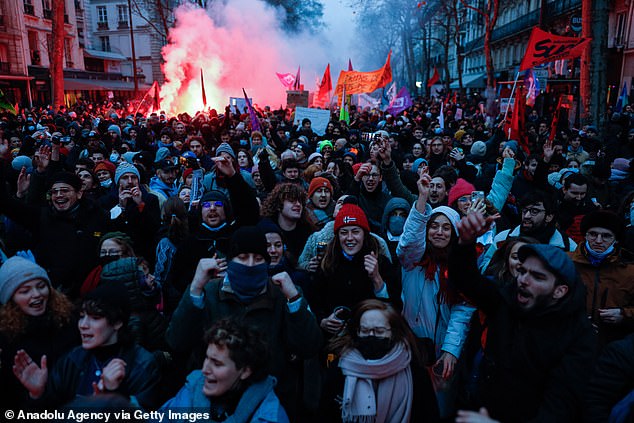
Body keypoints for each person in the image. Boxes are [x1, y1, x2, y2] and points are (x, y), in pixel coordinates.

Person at [450, 212, 597, 422]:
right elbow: (466, 281)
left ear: (560, 291)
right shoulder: (507, 300)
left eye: (537, 276)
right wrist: (465, 241)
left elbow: (559, 409)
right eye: (523, 270)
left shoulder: (578, 337)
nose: (523, 280)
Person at [165, 226, 321, 417]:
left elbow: (309, 346)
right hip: (210, 401)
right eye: (243, 257)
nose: (249, 265)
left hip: (270, 402)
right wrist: (195, 289)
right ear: (230, 261)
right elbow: (177, 342)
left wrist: (295, 300)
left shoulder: (282, 294)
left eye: (257, 259)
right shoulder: (211, 292)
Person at [397, 173, 475, 418]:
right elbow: (408, 242)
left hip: (443, 354)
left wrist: (451, 349)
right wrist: (421, 199)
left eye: (446, 228)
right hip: (410, 350)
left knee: (438, 411)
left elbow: (463, 310)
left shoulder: (462, 267)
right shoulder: (413, 261)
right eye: (434, 226)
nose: (439, 232)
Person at [12, 282, 162, 409]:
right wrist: (38, 395)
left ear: (117, 322)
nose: (83, 325)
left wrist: (114, 394)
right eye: (82, 317)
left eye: (95, 318)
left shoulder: (143, 366)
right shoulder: (72, 359)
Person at [321, 299, 439, 422]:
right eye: (365, 331)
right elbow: (325, 414)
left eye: (379, 331)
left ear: (393, 333)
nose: (371, 336)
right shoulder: (341, 368)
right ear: (357, 332)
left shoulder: (415, 372)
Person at [0, 166, 110, 297]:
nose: (58, 196)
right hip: (52, 293)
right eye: (54, 192)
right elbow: (5, 204)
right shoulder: (42, 217)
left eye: (64, 191)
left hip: (91, 293)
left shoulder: (98, 216)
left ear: (79, 193)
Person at [161, 318, 289, 423]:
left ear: (245, 371)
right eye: (207, 358)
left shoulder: (268, 416)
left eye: (217, 364)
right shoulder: (193, 388)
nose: (205, 370)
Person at [0, 257, 78, 409]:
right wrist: (35, 395)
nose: (36, 294)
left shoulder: (70, 320)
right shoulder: (5, 339)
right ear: (10, 299)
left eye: (41, 286)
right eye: (25, 291)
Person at [311, 204, 395, 337]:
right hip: (336, 340)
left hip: (371, 338)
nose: (349, 238)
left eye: (355, 231)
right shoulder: (326, 264)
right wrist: (323, 321)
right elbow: (314, 302)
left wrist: (377, 279)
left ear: (364, 234)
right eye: (344, 232)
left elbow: (394, 308)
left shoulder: (381, 263)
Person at [570, 211, 634, 346]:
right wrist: (575, 320)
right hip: (572, 341)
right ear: (585, 235)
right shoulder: (566, 262)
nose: (598, 241)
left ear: (615, 239)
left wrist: (624, 315)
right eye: (593, 234)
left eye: (606, 236)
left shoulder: (629, 271)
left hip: (613, 344)